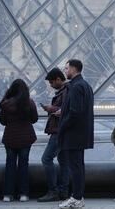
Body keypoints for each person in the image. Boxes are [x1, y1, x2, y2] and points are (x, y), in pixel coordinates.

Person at [58, 59, 94, 209]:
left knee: (75, 167)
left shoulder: (76, 87)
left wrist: (62, 126)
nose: (65, 71)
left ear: (74, 69)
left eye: (66, 68)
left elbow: (75, 112)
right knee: (78, 166)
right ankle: (78, 196)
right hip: (81, 133)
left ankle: (77, 197)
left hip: (74, 134)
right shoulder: (85, 85)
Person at [0, 79, 39, 202]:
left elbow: (3, 121)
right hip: (26, 138)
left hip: (10, 137)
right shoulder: (29, 103)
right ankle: (24, 194)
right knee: (23, 166)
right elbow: (34, 119)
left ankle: (7, 194)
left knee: (10, 166)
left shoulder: (6, 104)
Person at [38, 69, 70, 203]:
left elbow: (66, 109)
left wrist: (51, 109)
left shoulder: (67, 91)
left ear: (58, 79)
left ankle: (53, 191)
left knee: (46, 158)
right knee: (63, 161)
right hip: (63, 130)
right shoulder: (67, 90)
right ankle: (63, 191)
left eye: (51, 82)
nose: (51, 85)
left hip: (59, 131)